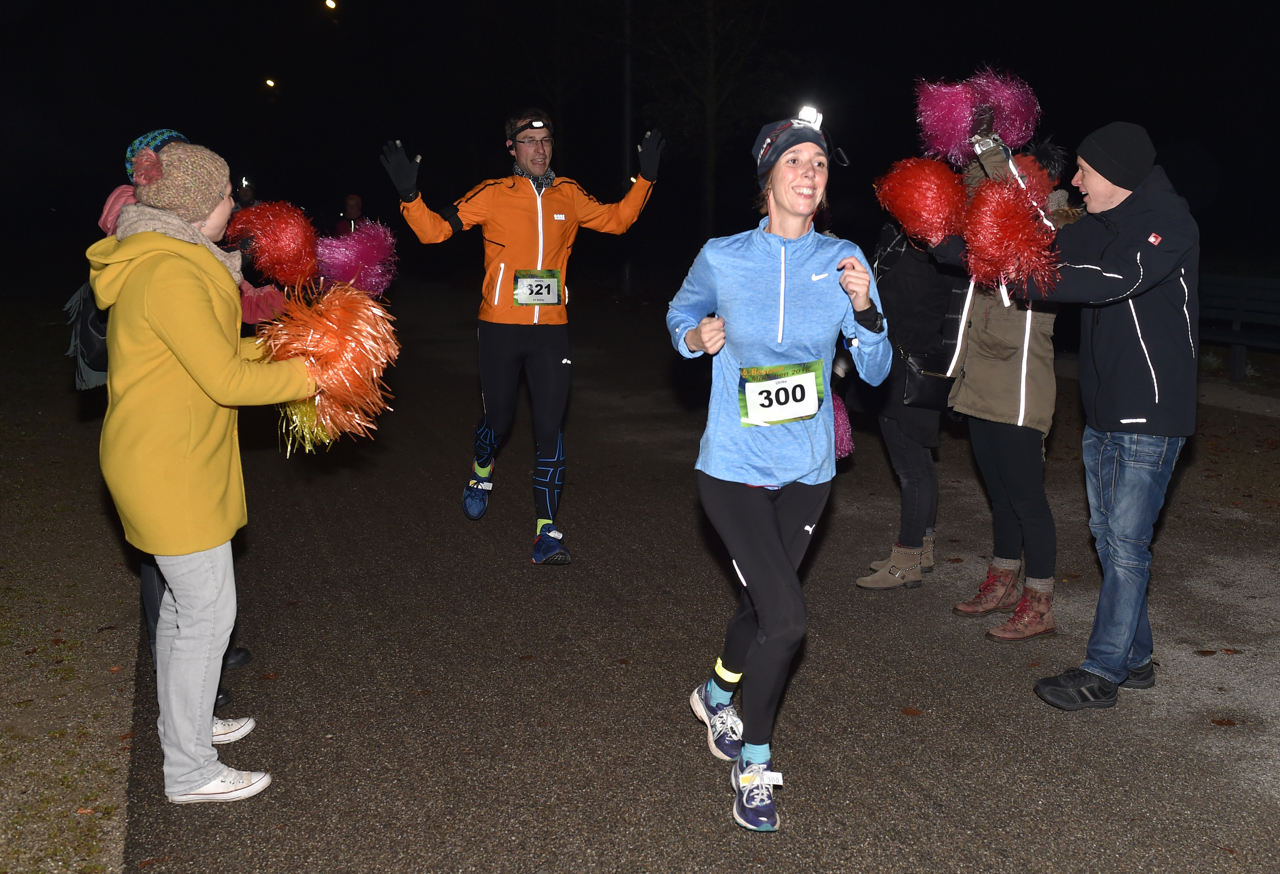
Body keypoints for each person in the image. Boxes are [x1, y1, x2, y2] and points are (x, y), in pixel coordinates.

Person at [668, 107, 890, 831]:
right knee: (788, 618)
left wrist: (866, 309)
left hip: (809, 469)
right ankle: (754, 763)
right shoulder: (724, 255)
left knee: (762, 610)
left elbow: (878, 367)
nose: (809, 173)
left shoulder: (846, 258)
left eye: (819, 165)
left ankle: (714, 693)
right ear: (769, 179)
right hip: (732, 466)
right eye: (795, 162)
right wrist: (694, 336)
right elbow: (681, 316)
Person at [87, 140, 314, 802]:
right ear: (191, 208)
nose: (234, 206)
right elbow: (223, 377)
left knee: (187, 613)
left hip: (173, 455)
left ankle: (185, 730)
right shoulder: (173, 272)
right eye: (223, 197)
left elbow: (212, 348)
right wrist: (317, 373)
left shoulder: (176, 259)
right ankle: (187, 770)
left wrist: (284, 342)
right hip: (167, 465)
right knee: (208, 613)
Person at [381, 110, 663, 564]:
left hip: (551, 331)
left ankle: (546, 532)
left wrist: (645, 177)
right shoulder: (493, 195)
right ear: (511, 148)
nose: (539, 149)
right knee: (501, 418)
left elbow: (617, 220)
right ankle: (481, 466)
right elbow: (433, 232)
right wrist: (409, 195)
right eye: (528, 141)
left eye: (546, 140)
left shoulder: (568, 194)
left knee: (549, 428)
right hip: (500, 328)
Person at [1033, 122, 1199, 709]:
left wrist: (1027, 273)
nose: (1074, 183)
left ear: (1119, 176)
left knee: (1125, 544)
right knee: (1109, 539)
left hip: (1151, 414)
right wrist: (967, 244)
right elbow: (1042, 251)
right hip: (1104, 411)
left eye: (1085, 171)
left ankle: (1103, 672)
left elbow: (1113, 279)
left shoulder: (1168, 224)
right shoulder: (1105, 225)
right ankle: (1136, 657)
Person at [945, 141, 1075, 642]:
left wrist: (990, 149)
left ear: (1043, 179)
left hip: (1021, 384)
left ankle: (1040, 602)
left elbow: (1019, 213)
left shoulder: (1058, 224)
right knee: (999, 493)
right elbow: (984, 196)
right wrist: (965, 152)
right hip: (980, 377)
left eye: (1020, 172)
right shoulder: (1000, 217)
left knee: (1027, 499)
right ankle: (1002, 581)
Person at [850, 220, 964, 590]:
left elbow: (890, 311)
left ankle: (907, 559)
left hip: (906, 368)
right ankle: (921, 549)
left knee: (912, 469)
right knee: (920, 466)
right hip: (919, 365)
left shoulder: (919, 255)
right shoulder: (928, 249)